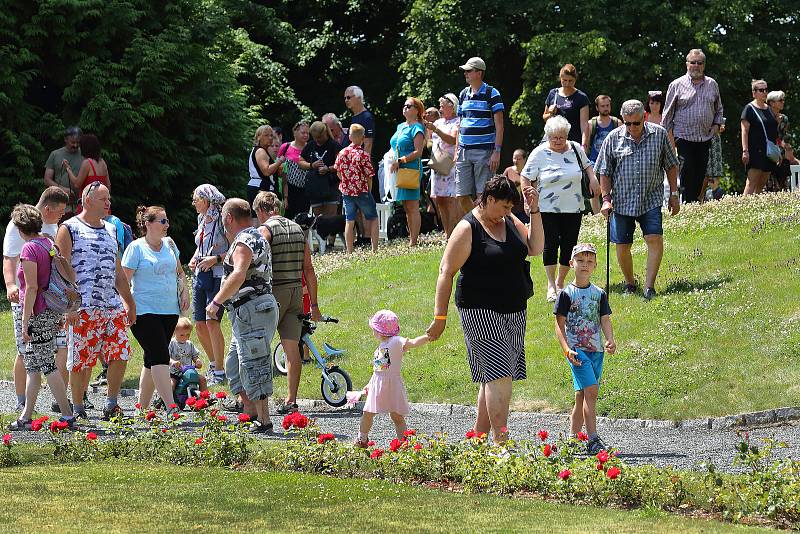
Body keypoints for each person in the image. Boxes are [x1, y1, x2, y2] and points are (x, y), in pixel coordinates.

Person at [426, 176, 544, 443]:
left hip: (514, 308)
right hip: (479, 310)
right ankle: (501, 444)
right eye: (503, 207)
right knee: (499, 373)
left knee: (494, 376)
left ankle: (477, 441)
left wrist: (533, 210)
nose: (507, 212)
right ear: (489, 200)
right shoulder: (467, 228)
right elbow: (446, 272)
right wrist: (440, 316)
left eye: (510, 208)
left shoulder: (510, 220)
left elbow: (535, 248)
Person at [55, 183, 136, 420]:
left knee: (120, 353)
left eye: (108, 198)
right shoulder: (69, 228)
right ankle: (78, 408)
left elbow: (117, 270)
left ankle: (111, 404)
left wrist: (129, 302)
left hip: (111, 305)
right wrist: (69, 305)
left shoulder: (111, 229)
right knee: (82, 360)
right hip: (83, 307)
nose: (108, 203)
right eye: (103, 199)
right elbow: (60, 267)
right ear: (87, 200)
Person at [596, 100, 680, 300]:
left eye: (636, 123)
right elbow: (604, 172)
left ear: (644, 118)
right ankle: (630, 283)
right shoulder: (612, 138)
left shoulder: (659, 134)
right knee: (623, 245)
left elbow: (671, 165)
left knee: (654, 238)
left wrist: (674, 194)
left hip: (650, 198)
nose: (632, 128)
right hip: (622, 201)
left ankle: (649, 287)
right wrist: (606, 199)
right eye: (627, 123)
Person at [207, 198, 277, 432]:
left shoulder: (245, 240)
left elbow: (238, 275)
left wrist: (216, 301)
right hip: (250, 309)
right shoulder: (255, 235)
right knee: (234, 363)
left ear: (229, 218)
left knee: (253, 362)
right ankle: (250, 411)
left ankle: (264, 420)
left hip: (252, 309)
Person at [6, 204, 76, 431]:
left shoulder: (28, 250)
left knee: (46, 364)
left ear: (19, 228)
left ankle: (67, 414)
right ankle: (26, 416)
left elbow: (32, 287)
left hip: (38, 312)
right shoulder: (48, 242)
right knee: (34, 365)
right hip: (52, 309)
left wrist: (25, 321)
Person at [252, 191, 322, 414]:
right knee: (292, 349)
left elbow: (255, 261)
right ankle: (291, 400)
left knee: (258, 345)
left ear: (262, 210)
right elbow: (309, 270)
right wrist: (314, 305)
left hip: (274, 292)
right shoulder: (298, 230)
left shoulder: (265, 230)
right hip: (296, 293)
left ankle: (256, 400)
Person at [521, 116, 599, 302]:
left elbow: (588, 166)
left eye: (561, 137)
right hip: (546, 207)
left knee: (569, 245)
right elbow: (525, 176)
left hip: (573, 206)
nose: (558, 141)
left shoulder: (575, 148)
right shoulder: (539, 153)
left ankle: (561, 282)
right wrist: (527, 199)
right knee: (550, 244)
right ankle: (550, 285)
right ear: (548, 136)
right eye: (554, 137)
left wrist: (593, 179)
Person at [553, 243, 616, 455]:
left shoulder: (599, 293)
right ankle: (593, 439)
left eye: (589, 261)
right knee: (592, 391)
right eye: (580, 260)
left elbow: (604, 319)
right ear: (571, 264)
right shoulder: (566, 294)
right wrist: (566, 349)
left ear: (595, 265)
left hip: (596, 350)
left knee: (581, 395)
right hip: (577, 350)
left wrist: (610, 339)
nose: (584, 265)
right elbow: (559, 325)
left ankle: (571, 438)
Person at [122, 205, 184, 412]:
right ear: (148, 224)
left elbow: (180, 273)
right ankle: (171, 407)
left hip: (169, 310)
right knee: (160, 356)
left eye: (167, 221)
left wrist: (185, 294)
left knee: (152, 359)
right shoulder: (136, 248)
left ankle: (142, 409)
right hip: (143, 311)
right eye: (162, 221)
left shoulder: (170, 245)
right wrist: (127, 307)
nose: (167, 225)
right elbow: (123, 281)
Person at [353, 309, 429, 447]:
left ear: (381, 330)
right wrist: (369, 384)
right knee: (368, 412)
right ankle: (361, 439)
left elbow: (412, 343)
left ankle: (404, 444)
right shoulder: (381, 346)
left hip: (392, 384)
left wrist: (428, 336)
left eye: (374, 328)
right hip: (378, 384)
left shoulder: (396, 341)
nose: (373, 331)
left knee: (396, 416)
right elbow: (379, 369)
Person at [661, 49, 724, 203]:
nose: (696, 66)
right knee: (687, 170)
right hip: (683, 137)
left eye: (700, 63)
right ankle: (688, 204)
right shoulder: (676, 85)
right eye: (693, 62)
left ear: (704, 65)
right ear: (687, 64)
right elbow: (667, 116)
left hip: (705, 137)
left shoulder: (712, 84)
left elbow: (719, 110)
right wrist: (669, 142)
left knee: (701, 173)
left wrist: (716, 126)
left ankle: (695, 202)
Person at [187, 184, 228, 386]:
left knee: (212, 321)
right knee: (200, 324)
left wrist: (215, 260)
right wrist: (195, 258)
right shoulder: (201, 218)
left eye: (196, 199)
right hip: (200, 274)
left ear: (205, 199)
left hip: (218, 275)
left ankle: (220, 371)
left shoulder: (222, 218)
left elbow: (234, 248)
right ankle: (213, 364)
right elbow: (201, 245)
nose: (193, 202)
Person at [455, 57, 504, 214]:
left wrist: (497, 151)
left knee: (484, 195)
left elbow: (500, 125)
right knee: (461, 195)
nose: (465, 73)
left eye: (469, 71)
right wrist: (457, 149)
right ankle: (478, 222)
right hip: (463, 151)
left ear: (479, 73)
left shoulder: (492, 93)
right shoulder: (463, 94)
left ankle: (484, 228)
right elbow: (460, 124)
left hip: (485, 151)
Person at [334, 123, 379, 252]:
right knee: (373, 218)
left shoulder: (342, 153)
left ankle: (349, 250)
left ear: (349, 137)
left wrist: (346, 181)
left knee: (350, 220)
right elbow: (369, 176)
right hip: (362, 191)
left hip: (347, 191)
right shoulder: (364, 155)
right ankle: (374, 249)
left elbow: (338, 172)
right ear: (363, 138)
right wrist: (368, 190)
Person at [389, 97, 426, 246]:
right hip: (400, 169)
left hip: (411, 169)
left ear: (417, 110)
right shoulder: (400, 127)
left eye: (409, 106)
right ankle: (412, 238)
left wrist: (401, 161)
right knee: (406, 206)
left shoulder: (417, 128)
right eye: (404, 105)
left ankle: (414, 241)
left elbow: (418, 152)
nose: (405, 108)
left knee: (412, 206)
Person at [298, 121, 341, 245]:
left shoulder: (334, 145)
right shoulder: (310, 146)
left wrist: (328, 168)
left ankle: (330, 244)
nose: (317, 140)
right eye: (315, 138)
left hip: (331, 185)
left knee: (331, 216)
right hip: (315, 186)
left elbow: (340, 164)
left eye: (319, 137)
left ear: (325, 133)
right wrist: (312, 165)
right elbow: (300, 161)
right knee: (318, 218)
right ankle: (321, 242)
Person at [423, 93, 460, 237]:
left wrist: (436, 130)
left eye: (443, 106)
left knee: (451, 200)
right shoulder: (437, 122)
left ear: (452, 107)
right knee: (440, 199)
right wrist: (428, 131)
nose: (440, 109)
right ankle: (447, 233)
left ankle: (455, 233)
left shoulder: (457, 121)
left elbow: (452, 140)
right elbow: (429, 143)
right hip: (438, 165)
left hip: (450, 165)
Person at [741, 80, 778, 195]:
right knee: (751, 183)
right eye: (761, 90)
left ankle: (755, 209)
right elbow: (744, 131)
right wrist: (745, 151)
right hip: (755, 151)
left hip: (769, 152)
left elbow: (773, 132)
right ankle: (742, 209)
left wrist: (777, 150)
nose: (764, 92)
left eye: (766, 90)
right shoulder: (749, 109)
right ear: (754, 93)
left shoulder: (770, 109)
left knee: (761, 184)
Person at [543, 64, 590, 149]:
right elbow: (545, 118)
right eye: (564, 80)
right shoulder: (553, 93)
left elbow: (584, 125)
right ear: (560, 78)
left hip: (572, 143)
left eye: (570, 81)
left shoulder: (581, 97)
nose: (567, 83)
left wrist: (584, 146)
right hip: (553, 142)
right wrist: (550, 113)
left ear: (575, 80)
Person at [65, 134, 110, 214]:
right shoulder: (102, 162)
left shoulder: (87, 163)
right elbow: (108, 186)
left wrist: (68, 169)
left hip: (88, 208)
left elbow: (77, 184)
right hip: (102, 207)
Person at [43, 125, 83, 217]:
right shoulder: (55, 154)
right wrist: (63, 189)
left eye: (78, 142)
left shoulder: (85, 154)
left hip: (81, 205)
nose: (75, 145)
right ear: (65, 139)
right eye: (73, 142)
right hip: (60, 204)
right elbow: (47, 179)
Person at [248, 125, 286, 219]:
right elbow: (266, 171)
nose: (270, 138)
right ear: (259, 137)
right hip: (261, 188)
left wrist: (277, 169)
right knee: (263, 219)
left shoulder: (262, 150)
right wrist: (279, 161)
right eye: (266, 135)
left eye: (271, 136)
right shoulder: (260, 151)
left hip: (261, 187)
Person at [280, 121, 310, 220]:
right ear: (295, 132)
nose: (305, 135)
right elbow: (278, 164)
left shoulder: (310, 148)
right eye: (303, 132)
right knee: (287, 217)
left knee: (303, 218)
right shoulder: (286, 147)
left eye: (307, 133)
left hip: (306, 190)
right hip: (289, 188)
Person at [168, 317, 207, 393]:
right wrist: (173, 362)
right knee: (171, 385)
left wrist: (197, 361)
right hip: (174, 373)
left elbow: (194, 356)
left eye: (188, 335)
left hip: (188, 372)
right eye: (182, 335)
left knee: (202, 379)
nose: (185, 337)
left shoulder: (189, 344)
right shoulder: (172, 343)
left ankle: (204, 398)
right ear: (174, 332)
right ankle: (169, 402)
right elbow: (166, 357)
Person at [766, 91, 793, 191]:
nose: (783, 102)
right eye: (780, 100)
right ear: (772, 103)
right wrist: (775, 123)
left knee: (783, 183)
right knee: (770, 185)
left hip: (781, 154)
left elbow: (785, 136)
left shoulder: (784, 119)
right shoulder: (765, 117)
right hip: (768, 153)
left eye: (783, 100)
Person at [587, 95, 621, 166]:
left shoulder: (617, 123)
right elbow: (586, 145)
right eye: (602, 106)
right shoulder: (591, 124)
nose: (606, 108)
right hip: (594, 162)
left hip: (613, 163)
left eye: (607, 105)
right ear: (597, 107)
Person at [343, 86, 376, 156]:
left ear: (359, 97)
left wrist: (362, 164)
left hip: (359, 164)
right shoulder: (354, 117)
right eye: (345, 98)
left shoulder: (367, 117)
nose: (346, 100)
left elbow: (368, 144)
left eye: (348, 97)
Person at [502, 148, 529, 224]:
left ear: (524, 159)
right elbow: (501, 185)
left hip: (524, 209)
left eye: (519, 159)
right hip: (510, 207)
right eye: (514, 158)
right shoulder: (508, 170)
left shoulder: (528, 172)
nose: (516, 161)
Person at [704, 119, 726, 200]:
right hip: (703, 140)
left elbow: (721, 125)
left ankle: (714, 199)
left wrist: (720, 127)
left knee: (715, 174)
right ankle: (701, 199)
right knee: (705, 174)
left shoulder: (717, 108)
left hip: (715, 141)